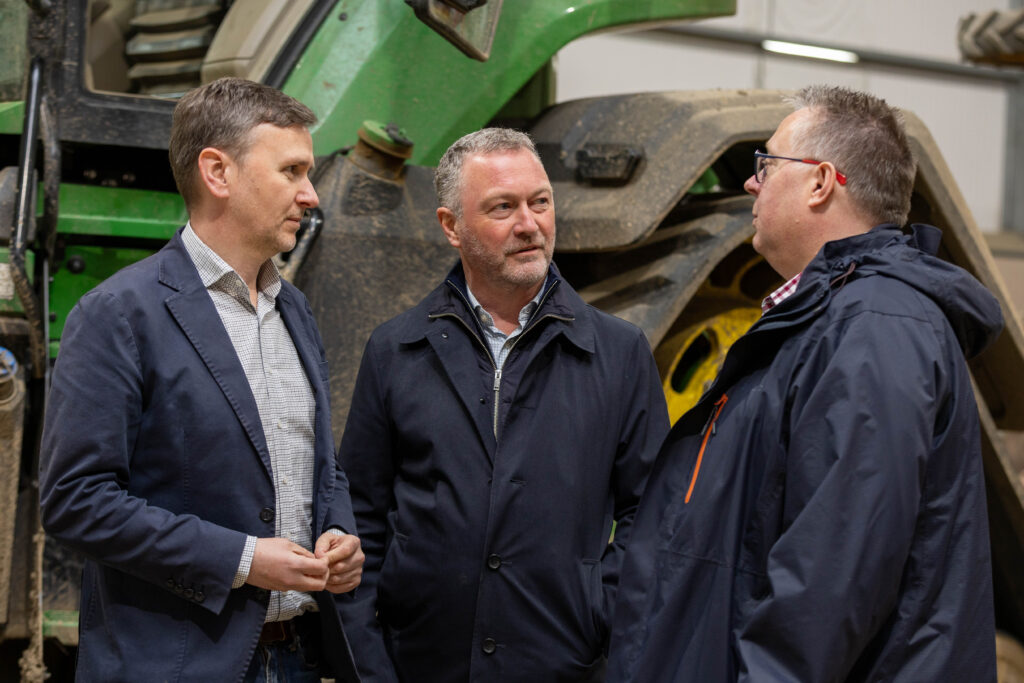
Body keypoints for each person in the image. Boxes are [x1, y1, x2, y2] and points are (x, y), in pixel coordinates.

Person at [606, 84, 1003, 682]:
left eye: (766, 164)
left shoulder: (874, 329)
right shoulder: (826, 322)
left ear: (820, 182)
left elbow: (833, 573)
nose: (750, 182)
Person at [39, 77, 364, 682]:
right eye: (292, 170)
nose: (312, 195)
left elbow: (319, 463)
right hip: (178, 663)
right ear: (218, 172)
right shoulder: (120, 313)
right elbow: (75, 501)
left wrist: (339, 530)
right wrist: (242, 559)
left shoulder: (294, 309)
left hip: (297, 656)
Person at [335, 127, 669, 682]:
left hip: (564, 664)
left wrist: (601, 616)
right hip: (421, 665)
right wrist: (370, 667)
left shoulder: (619, 352)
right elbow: (359, 521)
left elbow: (652, 516)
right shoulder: (397, 349)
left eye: (540, 202)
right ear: (452, 227)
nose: (529, 224)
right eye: (502, 207)